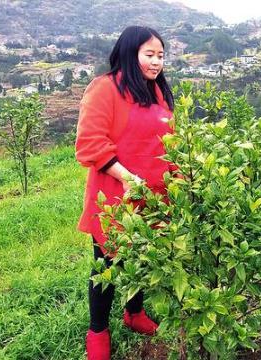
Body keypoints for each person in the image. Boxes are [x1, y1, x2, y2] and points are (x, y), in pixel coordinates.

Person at [74, 26, 176, 360]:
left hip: (154, 197)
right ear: (130, 54)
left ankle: (134, 314)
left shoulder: (157, 91)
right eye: (150, 54)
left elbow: (170, 141)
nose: (157, 62)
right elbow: (91, 142)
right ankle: (98, 332)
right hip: (115, 195)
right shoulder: (105, 89)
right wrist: (127, 176)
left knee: (141, 259)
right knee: (106, 266)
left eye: (161, 55)